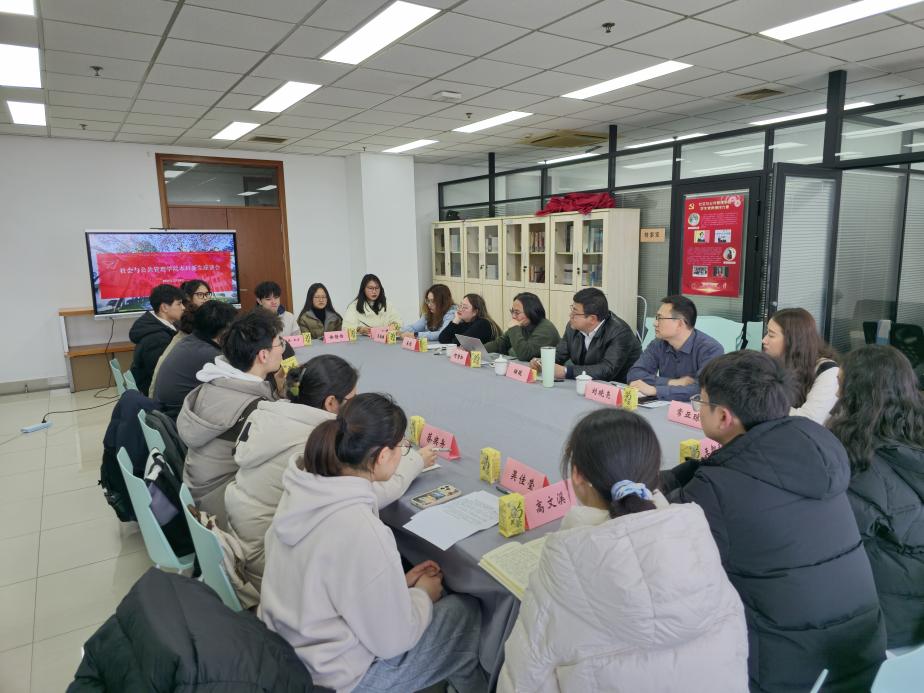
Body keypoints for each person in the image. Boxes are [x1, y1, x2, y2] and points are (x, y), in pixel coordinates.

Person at [660, 351, 885, 692]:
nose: (698, 409)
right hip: (863, 661)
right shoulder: (817, 445)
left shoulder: (718, 491)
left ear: (724, 417)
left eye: (701, 402)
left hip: (787, 675)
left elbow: (663, 546)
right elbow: (722, 466)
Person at [499, 408, 748, 693]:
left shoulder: (560, 570)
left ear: (577, 475)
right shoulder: (698, 543)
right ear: (654, 472)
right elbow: (736, 649)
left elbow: (523, 681)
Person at [259, 393, 487, 693]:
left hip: (285, 652)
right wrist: (421, 594)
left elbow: (337, 582)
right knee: (467, 613)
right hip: (336, 679)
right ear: (382, 456)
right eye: (401, 449)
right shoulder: (361, 530)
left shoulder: (302, 487)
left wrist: (396, 585)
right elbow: (394, 639)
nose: (402, 454)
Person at [225, 354, 438, 591]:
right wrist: (414, 461)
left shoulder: (273, 413)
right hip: (270, 565)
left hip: (246, 537)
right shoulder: (317, 445)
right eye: (352, 398)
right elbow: (369, 491)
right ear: (330, 403)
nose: (355, 405)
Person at [828, 345, 924, 649]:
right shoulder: (911, 442)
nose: (836, 393)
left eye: (841, 384)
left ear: (857, 395)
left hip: (883, 623)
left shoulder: (856, 461)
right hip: (913, 620)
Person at [177, 309, 284, 525]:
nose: (283, 348)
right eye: (280, 343)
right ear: (263, 355)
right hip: (219, 507)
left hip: (198, 489)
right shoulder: (253, 408)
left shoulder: (217, 382)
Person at [627, 295, 723, 402]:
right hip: (664, 406)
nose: (655, 323)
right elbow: (634, 374)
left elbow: (702, 390)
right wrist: (671, 382)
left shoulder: (711, 349)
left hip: (694, 409)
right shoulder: (658, 343)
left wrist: (655, 390)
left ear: (680, 324)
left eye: (660, 318)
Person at [532, 287, 639, 382]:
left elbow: (607, 370)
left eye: (575, 313)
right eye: (572, 309)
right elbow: (560, 354)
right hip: (586, 383)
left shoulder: (620, 332)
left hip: (621, 387)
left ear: (592, 319)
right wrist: (542, 361)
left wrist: (566, 371)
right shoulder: (573, 327)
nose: (570, 315)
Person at [152, 300, 237, 418]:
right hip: (179, 418)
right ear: (224, 331)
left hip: (166, 412)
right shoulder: (210, 355)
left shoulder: (190, 340)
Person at [762, 307, 839, 424]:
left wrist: (763, 406)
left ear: (793, 340)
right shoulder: (775, 364)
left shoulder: (828, 371)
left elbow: (809, 419)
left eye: (771, 335)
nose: (764, 340)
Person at [149, 279, 211, 396]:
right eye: (200, 294)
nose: (205, 298)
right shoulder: (183, 325)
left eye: (207, 294)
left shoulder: (174, 325)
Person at [129, 283, 186, 396]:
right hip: (154, 393)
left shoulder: (159, 326)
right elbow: (162, 375)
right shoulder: (157, 338)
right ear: (164, 307)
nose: (183, 307)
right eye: (179, 304)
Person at [485, 292, 560, 361]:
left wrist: (514, 329)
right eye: (512, 312)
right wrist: (480, 350)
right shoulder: (523, 324)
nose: (513, 316)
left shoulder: (546, 329)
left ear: (531, 312)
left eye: (517, 312)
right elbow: (500, 344)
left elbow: (524, 355)